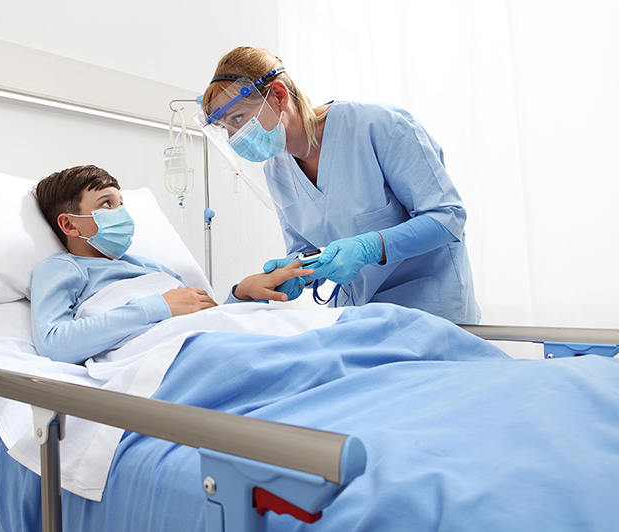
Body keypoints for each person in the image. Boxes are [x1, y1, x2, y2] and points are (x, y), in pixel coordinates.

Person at [198, 46, 481, 324]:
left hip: (430, 312)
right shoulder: (277, 171)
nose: (235, 137)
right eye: (226, 128)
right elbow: (306, 248)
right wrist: (296, 271)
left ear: (279, 96)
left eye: (238, 119)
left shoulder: (379, 127)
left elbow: (448, 217)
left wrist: (369, 247)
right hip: (360, 319)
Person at [31, 165, 310, 364]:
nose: (120, 213)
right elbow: (55, 344)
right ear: (69, 224)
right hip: (179, 354)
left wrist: (242, 294)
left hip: (212, 338)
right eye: (106, 204)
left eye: (121, 204)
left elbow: (209, 317)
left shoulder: (151, 267)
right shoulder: (63, 268)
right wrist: (159, 306)